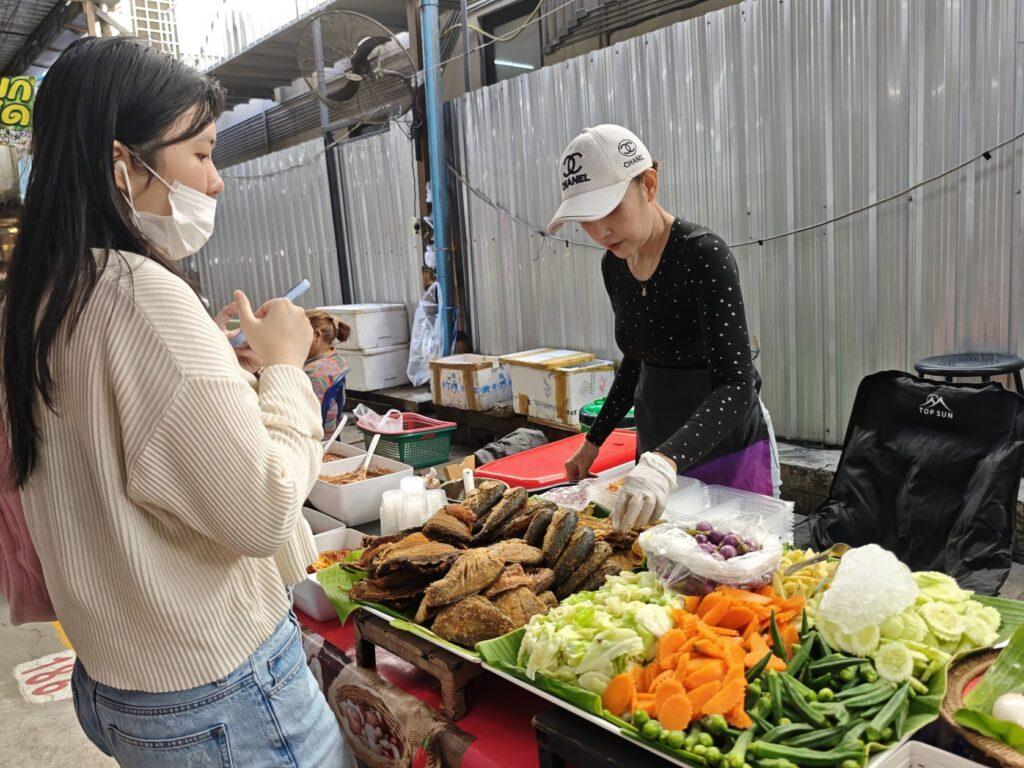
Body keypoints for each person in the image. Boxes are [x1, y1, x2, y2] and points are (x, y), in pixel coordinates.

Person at [0, 37, 349, 767]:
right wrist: (286, 369)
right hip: (218, 694)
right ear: (121, 162)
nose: (215, 182)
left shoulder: (37, 296)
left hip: (121, 685)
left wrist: (225, 370)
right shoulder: (142, 295)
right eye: (202, 154)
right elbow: (263, 510)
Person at [552, 125, 777, 531]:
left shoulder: (703, 254)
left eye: (610, 209)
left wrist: (666, 461)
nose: (600, 231)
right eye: (586, 219)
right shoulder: (614, 264)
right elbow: (636, 359)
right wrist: (593, 442)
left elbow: (737, 383)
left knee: (730, 557)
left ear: (649, 185)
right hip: (655, 451)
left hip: (723, 451)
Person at [304, 309, 350, 433]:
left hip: (316, 435)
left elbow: (303, 414)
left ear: (317, 336)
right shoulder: (337, 359)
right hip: (332, 426)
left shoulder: (312, 373)